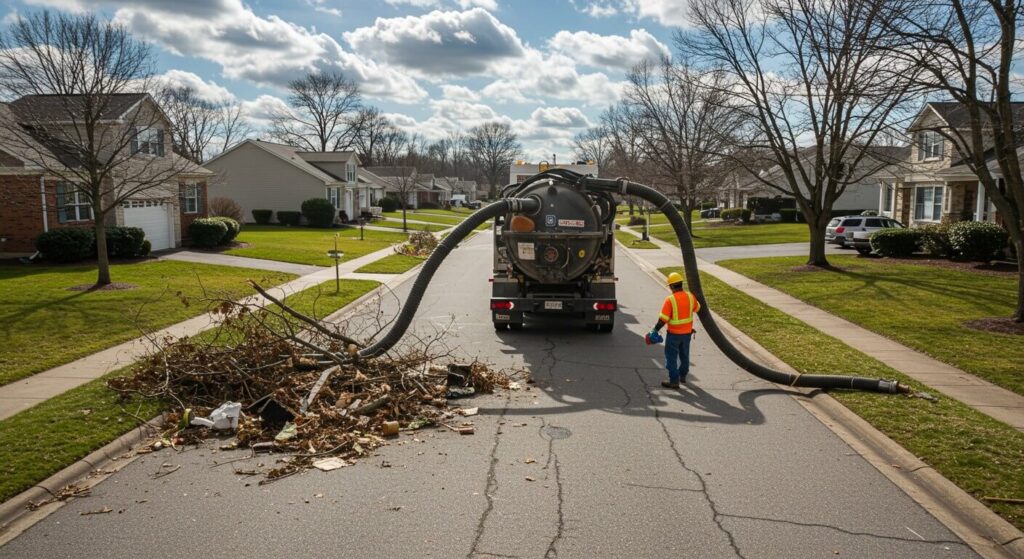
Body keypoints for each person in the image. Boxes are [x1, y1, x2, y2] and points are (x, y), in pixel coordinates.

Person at [649, 272, 700, 389]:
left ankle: (674, 380)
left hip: (674, 335)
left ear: (672, 286)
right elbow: (697, 308)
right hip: (687, 334)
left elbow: (663, 320)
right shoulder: (690, 297)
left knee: (671, 358)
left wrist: (655, 330)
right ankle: (683, 375)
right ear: (681, 284)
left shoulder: (670, 300)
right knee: (684, 355)